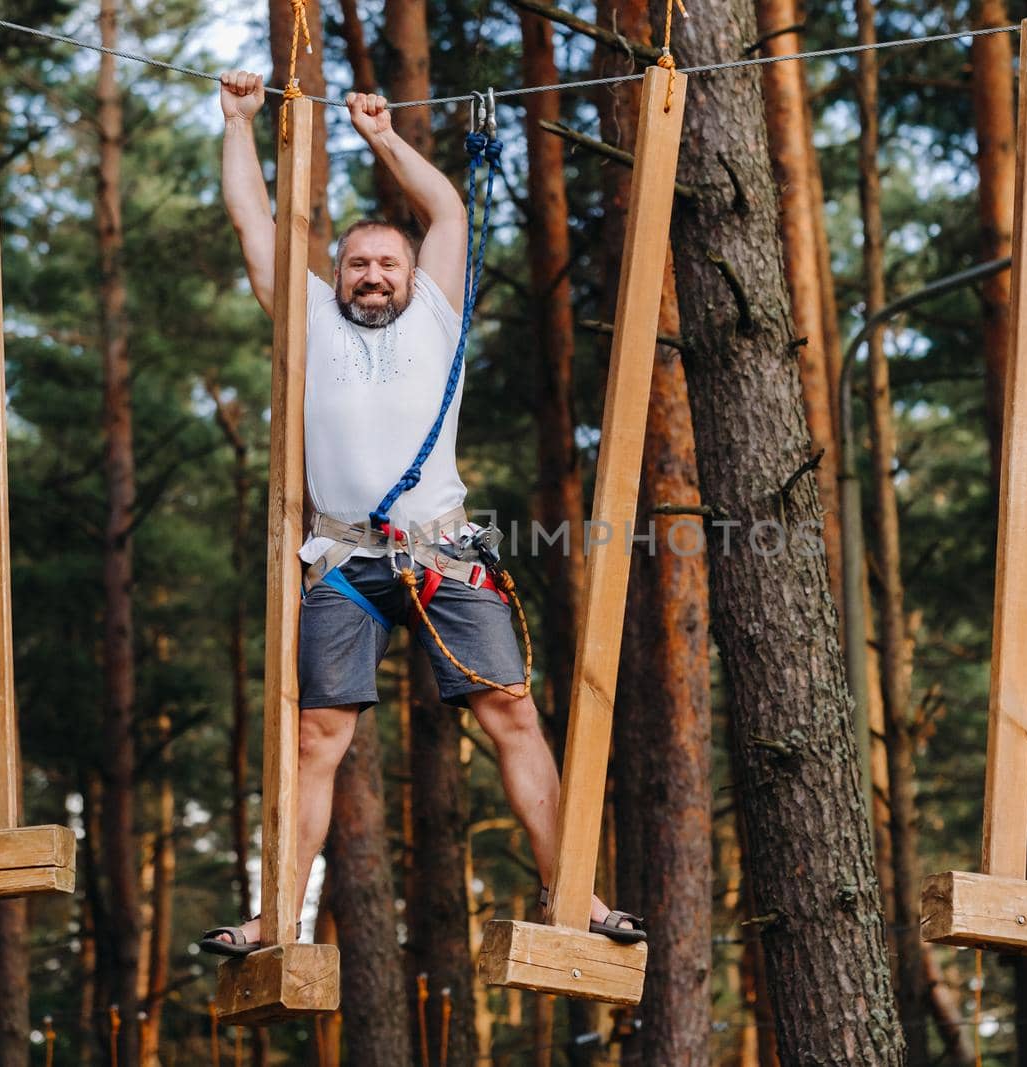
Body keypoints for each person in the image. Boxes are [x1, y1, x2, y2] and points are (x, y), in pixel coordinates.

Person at [200, 71, 642, 956]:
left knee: (514, 713)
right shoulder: (311, 322)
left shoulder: (436, 316)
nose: (372, 275)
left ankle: (580, 896)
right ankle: (276, 915)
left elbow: (448, 215)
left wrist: (382, 137)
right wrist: (240, 124)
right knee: (317, 737)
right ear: (337, 275)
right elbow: (256, 221)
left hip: (443, 553)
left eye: (386, 264)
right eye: (358, 263)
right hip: (344, 562)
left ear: (410, 276)